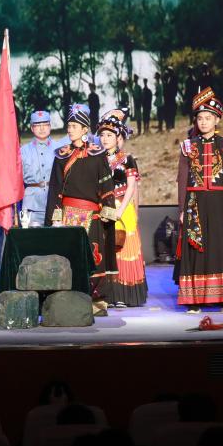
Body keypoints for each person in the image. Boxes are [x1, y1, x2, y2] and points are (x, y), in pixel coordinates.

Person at [176, 88, 223, 313]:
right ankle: (194, 300)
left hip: (221, 204)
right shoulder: (188, 146)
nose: (204, 122)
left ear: (217, 120)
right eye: (200, 118)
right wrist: (181, 208)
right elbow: (182, 180)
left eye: (208, 118)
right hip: (195, 204)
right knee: (196, 249)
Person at [45, 103, 117, 316]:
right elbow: (55, 188)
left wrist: (108, 211)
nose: (70, 129)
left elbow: (106, 184)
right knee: (68, 258)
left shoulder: (98, 154)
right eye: (69, 125)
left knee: (94, 258)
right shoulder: (61, 155)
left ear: (85, 129)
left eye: (75, 126)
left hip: (92, 216)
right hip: (67, 216)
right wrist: (55, 217)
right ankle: (67, 299)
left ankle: (96, 303)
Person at [97, 109, 147, 308]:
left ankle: (123, 295)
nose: (105, 139)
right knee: (106, 251)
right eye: (102, 135)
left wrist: (121, 210)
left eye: (109, 135)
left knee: (124, 249)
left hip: (123, 209)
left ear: (118, 137)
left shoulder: (127, 159)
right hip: (103, 208)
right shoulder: (96, 159)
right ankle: (107, 294)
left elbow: (132, 187)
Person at [20, 110, 57, 227]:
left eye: (45, 124)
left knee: (57, 236)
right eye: (37, 125)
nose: (42, 128)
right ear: (32, 128)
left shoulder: (60, 149)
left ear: (50, 126)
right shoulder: (23, 151)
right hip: (31, 204)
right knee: (32, 237)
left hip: (54, 201)